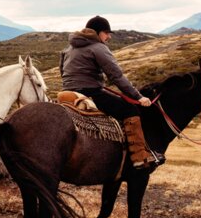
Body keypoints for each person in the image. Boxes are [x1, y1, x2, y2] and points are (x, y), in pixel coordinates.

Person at [59, 15, 164, 170]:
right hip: (90, 92)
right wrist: (138, 97)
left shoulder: (68, 48)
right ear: (97, 32)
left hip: (67, 92)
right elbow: (116, 76)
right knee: (130, 110)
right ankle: (139, 157)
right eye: (106, 33)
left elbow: (62, 72)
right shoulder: (98, 47)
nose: (109, 36)